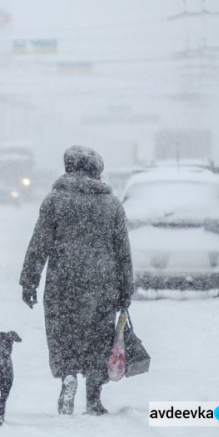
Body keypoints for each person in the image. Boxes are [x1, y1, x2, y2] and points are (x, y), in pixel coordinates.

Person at [19, 145, 133, 416]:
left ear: (68, 167)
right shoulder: (111, 205)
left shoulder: (55, 200)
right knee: (97, 336)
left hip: (63, 282)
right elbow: (122, 252)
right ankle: (94, 395)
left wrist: (29, 280)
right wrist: (125, 289)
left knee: (63, 334)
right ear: (97, 171)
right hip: (101, 285)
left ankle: (67, 376)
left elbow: (39, 243)